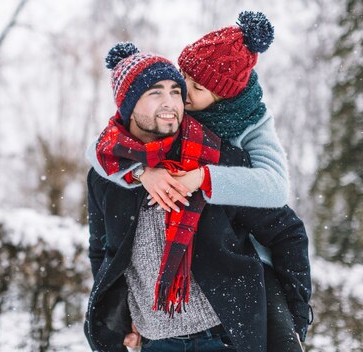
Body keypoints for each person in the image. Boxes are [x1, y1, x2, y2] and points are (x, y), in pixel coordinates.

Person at [87, 12, 306, 351]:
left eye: (177, 90)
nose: (175, 99)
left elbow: (285, 224)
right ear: (128, 105)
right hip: (156, 341)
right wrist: (143, 172)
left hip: (224, 335)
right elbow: (104, 250)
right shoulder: (109, 171)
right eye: (155, 93)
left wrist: (292, 320)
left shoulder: (221, 154)